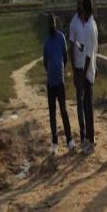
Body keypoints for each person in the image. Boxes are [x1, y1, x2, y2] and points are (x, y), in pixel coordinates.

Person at [43, 14, 74, 155]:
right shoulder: (46, 43)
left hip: (60, 82)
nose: (52, 26)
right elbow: (45, 62)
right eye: (50, 24)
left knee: (64, 111)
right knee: (52, 114)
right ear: (48, 26)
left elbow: (65, 56)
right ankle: (55, 142)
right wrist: (51, 70)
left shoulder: (61, 37)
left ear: (56, 24)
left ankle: (69, 140)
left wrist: (60, 68)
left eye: (53, 23)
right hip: (50, 83)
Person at [69, 0, 86, 143]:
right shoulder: (73, 23)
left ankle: (89, 133)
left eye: (81, 3)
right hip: (79, 69)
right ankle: (83, 134)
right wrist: (74, 71)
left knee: (88, 101)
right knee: (80, 103)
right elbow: (71, 48)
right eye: (77, 3)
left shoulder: (89, 20)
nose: (79, 5)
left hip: (88, 67)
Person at [82, 0, 98, 155]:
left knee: (87, 108)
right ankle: (89, 138)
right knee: (87, 106)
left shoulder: (87, 27)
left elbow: (88, 55)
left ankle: (91, 141)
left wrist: (83, 74)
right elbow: (95, 49)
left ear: (85, 11)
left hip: (87, 73)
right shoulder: (93, 24)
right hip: (92, 70)